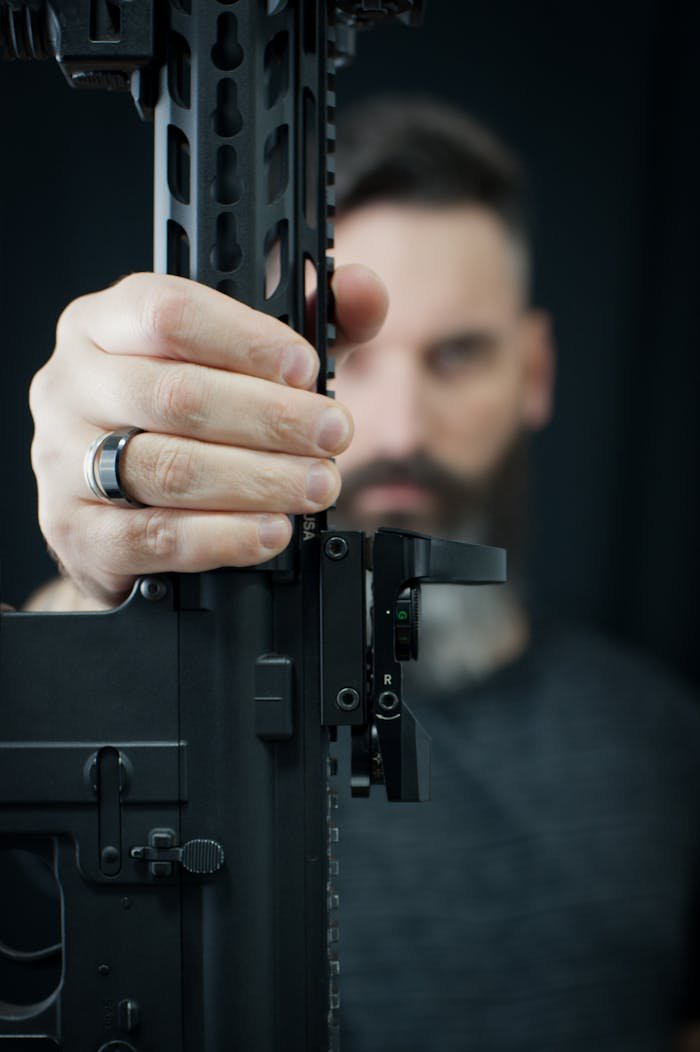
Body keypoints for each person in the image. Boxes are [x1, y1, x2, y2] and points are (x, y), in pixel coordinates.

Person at [25, 97, 700, 1050]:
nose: (402, 433)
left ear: (536, 370)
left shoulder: (667, 745)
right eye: (347, 361)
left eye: (457, 355)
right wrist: (100, 578)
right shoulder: (190, 726)